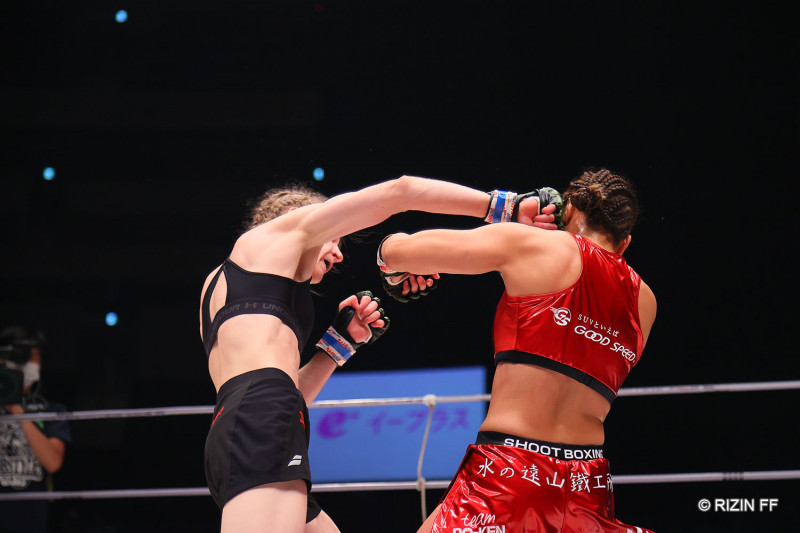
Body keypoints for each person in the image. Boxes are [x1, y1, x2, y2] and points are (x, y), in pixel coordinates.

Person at [199, 177, 559, 533]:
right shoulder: (280, 234)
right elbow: (401, 192)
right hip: (262, 424)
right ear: (296, 213)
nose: (338, 253)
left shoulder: (220, 287)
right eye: (334, 238)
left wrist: (339, 344)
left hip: (240, 426)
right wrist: (504, 207)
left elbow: (284, 394)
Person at [377, 168, 658, 532]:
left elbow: (398, 251)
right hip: (586, 485)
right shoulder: (645, 300)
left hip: (511, 468)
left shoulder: (534, 245)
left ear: (568, 210)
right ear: (625, 243)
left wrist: (391, 264)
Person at [0, 326, 71, 533]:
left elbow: (53, 462)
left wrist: (18, 412)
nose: (30, 363)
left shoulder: (51, 410)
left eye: (35, 357)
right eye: (22, 357)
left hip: (31, 520)